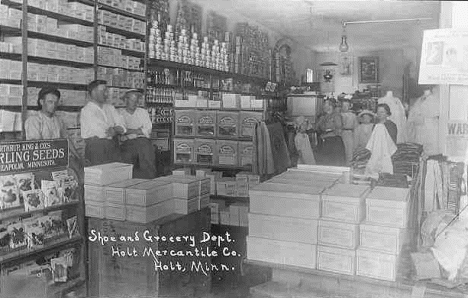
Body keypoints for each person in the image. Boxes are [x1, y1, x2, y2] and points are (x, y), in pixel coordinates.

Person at [25, 86, 83, 181]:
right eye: (50, 102)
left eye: (56, 102)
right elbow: (36, 145)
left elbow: (67, 140)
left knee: (77, 177)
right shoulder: (34, 120)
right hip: (42, 164)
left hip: (58, 161)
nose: (54, 105)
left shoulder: (58, 120)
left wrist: (78, 157)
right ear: (41, 102)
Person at [80, 80, 126, 166]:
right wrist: (116, 129)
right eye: (103, 90)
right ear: (93, 92)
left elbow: (123, 127)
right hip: (97, 148)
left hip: (113, 146)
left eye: (106, 91)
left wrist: (114, 129)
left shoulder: (110, 108)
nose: (106, 93)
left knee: (116, 175)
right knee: (100, 175)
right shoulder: (87, 110)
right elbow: (102, 131)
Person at [119, 90, 157, 179]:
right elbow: (121, 130)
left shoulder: (143, 112)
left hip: (143, 142)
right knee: (127, 163)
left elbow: (148, 130)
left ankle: (149, 181)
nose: (134, 103)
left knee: (148, 159)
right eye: (132, 100)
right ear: (126, 100)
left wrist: (128, 132)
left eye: (136, 101)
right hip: (128, 144)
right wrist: (139, 130)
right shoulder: (120, 113)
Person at [316, 98, 345, 166]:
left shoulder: (336, 115)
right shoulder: (323, 116)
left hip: (334, 142)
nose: (323, 106)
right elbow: (317, 128)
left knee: (334, 162)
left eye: (325, 104)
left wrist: (328, 131)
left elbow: (339, 130)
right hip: (324, 142)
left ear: (330, 106)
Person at [340, 100, 358, 166]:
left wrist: (356, 137)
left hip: (350, 134)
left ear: (349, 106)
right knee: (342, 150)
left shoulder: (353, 115)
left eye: (346, 106)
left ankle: (349, 166)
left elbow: (356, 127)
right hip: (341, 133)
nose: (345, 107)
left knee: (350, 151)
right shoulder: (339, 115)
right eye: (343, 106)